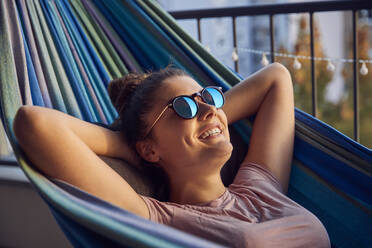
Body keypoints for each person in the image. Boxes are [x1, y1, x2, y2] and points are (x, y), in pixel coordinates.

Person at [13, 63, 330, 247]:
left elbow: (276, 77)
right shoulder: (158, 219)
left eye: (208, 96)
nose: (207, 107)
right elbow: (33, 123)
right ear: (149, 149)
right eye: (183, 106)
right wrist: (127, 145)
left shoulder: (260, 181)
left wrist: (210, 120)